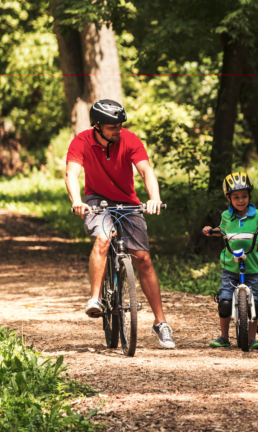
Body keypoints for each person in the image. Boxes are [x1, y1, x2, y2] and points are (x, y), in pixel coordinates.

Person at [65, 99, 175, 349]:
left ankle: (161, 322)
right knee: (103, 239)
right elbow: (72, 173)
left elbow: (146, 171)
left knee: (143, 259)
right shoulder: (81, 141)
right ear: (97, 125)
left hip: (127, 201)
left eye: (120, 125)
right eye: (112, 126)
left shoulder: (130, 140)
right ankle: (95, 300)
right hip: (95, 201)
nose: (118, 129)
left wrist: (154, 198)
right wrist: (77, 201)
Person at [203, 172, 258, 350]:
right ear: (228, 198)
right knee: (225, 303)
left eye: (244, 196)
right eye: (236, 197)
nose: (241, 200)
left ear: (250, 195)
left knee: (255, 303)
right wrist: (210, 230)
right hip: (230, 266)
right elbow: (220, 229)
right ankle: (224, 337)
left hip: (250, 266)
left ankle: (252, 338)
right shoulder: (226, 216)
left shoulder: (256, 214)